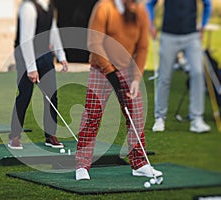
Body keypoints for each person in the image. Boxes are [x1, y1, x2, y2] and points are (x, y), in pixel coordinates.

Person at [75, 0, 163, 180]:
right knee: (92, 115)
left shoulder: (140, 11)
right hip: (101, 68)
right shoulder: (104, 8)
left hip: (128, 69)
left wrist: (137, 78)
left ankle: (140, 164)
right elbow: (95, 43)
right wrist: (110, 72)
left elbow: (143, 47)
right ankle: (82, 165)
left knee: (136, 116)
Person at [8, 0, 69, 150]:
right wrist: (31, 68)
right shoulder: (28, 7)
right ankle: (14, 136)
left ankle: (50, 135)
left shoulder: (49, 6)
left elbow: (53, 30)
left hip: (45, 54)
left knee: (51, 95)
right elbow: (25, 40)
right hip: (25, 56)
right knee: (24, 95)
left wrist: (61, 55)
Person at [147, 0, 212, 133]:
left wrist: (203, 25)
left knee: (198, 73)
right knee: (164, 77)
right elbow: (149, 4)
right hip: (168, 35)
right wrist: (151, 23)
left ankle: (196, 119)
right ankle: (160, 118)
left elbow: (207, 4)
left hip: (191, 36)